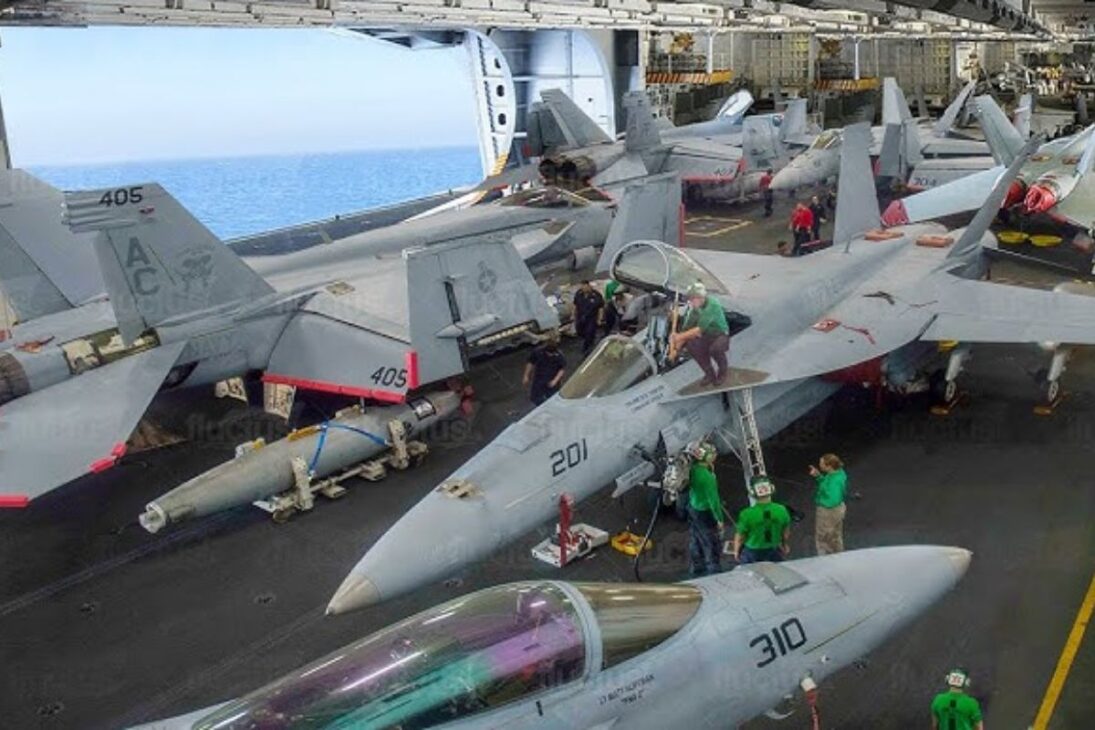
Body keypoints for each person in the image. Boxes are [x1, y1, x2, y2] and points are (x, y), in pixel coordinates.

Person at [670, 282, 730, 386]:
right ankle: (709, 374)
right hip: (707, 336)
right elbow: (686, 329)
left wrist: (678, 337)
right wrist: (676, 347)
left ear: (700, 297)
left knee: (715, 350)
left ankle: (723, 373)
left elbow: (698, 330)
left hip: (720, 335)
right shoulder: (695, 308)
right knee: (692, 346)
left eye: (692, 299)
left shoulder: (712, 305)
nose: (690, 302)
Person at [686, 442, 725, 577]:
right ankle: (714, 572)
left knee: (696, 538)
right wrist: (719, 519)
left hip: (693, 507)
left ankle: (696, 568)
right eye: (712, 454)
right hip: (705, 513)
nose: (714, 456)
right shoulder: (708, 478)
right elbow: (713, 501)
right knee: (711, 543)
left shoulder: (693, 469)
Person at [732, 476, 791, 564]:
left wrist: (736, 552)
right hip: (773, 549)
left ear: (752, 492)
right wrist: (785, 545)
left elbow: (740, 537)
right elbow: (785, 533)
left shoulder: (746, 514)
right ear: (771, 488)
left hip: (752, 552)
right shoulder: (782, 510)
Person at [809, 453, 847, 555]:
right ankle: (839, 555)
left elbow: (832, 499)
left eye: (822, 464)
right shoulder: (836, 474)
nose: (820, 465)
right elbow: (826, 484)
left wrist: (820, 501)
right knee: (835, 535)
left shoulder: (835, 481)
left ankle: (825, 558)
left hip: (828, 512)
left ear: (829, 466)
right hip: (837, 510)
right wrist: (818, 476)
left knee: (823, 537)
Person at [522, 332, 566, 405]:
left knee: (553, 399)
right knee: (536, 399)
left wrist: (555, 381)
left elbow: (561, 369)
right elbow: (530, 362)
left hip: (551, 380)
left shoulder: (559, 355)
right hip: (539, 379)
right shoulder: (538, 351)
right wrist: (526, 376)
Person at [572, 280, 604, 355]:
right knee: (579, 331)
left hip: (591, 317)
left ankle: (586, 347)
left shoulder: (596, 295)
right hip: (580, 316)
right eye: (582, 287)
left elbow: (600, 308)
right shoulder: (579, 293)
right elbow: (575, 305)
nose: (584, 289)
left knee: (589, 332)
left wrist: (599, 319)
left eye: (585, 287)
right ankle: (589, 339)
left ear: (589, 286)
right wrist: (573, 315)